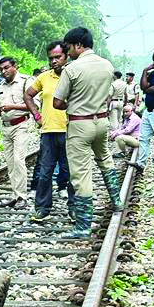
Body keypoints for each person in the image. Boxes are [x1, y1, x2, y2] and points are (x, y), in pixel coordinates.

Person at [52, 27, 122, 238]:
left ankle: (82, 226)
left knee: (81, 174)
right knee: (105, 159)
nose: (68, 52)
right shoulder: (107, 66)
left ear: (79, 45)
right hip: (101, 122)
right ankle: (117, 201)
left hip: (80, 124)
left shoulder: (71, 69)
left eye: (69, 47)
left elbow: (57, 103)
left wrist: (74, 102)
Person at [24, 40, 74, 222]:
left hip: (70, 131)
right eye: (51, 58)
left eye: (58, 57)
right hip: (48, 132)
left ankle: (74, 208)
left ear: (66, 56)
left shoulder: (74, 75)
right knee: (45, 172)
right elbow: (28, 95)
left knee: (71, 172)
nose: (54, 61)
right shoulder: (44, 77)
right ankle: (42, 209)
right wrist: (37, 115)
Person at [0, 56, 33, 208]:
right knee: (10, 163)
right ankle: (15, 195)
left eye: (6, 68)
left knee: (18, 161)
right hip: (5, 126)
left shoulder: (25, 81)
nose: (4, 71)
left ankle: (22, 197)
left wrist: (12, 106)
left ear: (14, 66)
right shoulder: (1, 86)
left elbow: (34, 105)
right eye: (1, 69)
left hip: (21, 125)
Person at [130, 49, 154, 176]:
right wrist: (144, 71)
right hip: (148, 112)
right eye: (153, 60)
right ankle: (141, 163)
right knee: (143, 138)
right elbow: (143, 86)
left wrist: (147, 89)